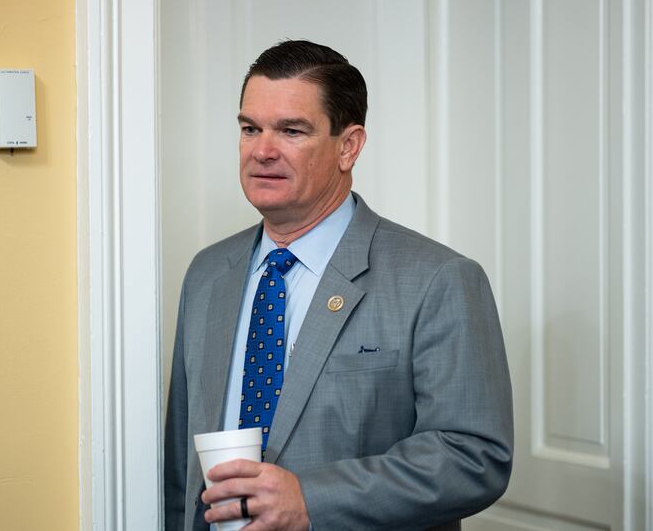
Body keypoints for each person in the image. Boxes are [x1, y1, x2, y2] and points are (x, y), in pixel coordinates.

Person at [164, 40, 513, 531]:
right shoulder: (206, 274)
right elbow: (181, 469)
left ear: (348, 146)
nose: (262, 150)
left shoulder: (439, 280)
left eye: (291, 130)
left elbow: (474, 456)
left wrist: (312, 499)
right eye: (249, 128)